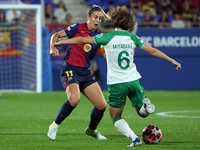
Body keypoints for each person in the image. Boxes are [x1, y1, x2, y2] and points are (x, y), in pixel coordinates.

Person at [53, 6, 181, 147]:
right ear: (130, 24)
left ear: (115, 21)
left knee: (116, 117)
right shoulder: (133, 37)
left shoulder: (106, 37)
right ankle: (145, 107)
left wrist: (61, 42)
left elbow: (80, 41)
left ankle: (134, 138)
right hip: (134, 80)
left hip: (117, 83)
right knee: (141, 113)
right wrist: (172, 60)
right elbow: (153, 50)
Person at [47, 5, 110, 141]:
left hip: (85, 73)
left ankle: (92, 130)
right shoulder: (77, 28)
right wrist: (52, 47)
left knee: (102, 105)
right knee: (74, 100)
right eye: (95, 17)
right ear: (88, 17)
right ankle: (54, 126)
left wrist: (113, 62)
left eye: (100, 18)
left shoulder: (98, 36)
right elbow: (56, 35)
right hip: (70, 69)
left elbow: (105, 53)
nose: (98, 20)